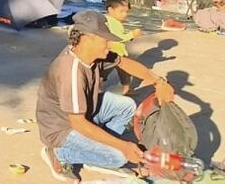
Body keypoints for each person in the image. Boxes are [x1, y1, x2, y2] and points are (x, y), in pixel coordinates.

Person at [36, 11, 175, 182]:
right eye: (105, 40)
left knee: (127, 106)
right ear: (87, 38)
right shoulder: (70, 72)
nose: (109, 45)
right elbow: (77, 123)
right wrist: (123, 146)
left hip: (85, 111)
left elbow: (125, 63)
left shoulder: (92, 54)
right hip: (62, 129)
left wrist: (158, 82)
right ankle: (59, 153)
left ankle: (98, 150)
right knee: (119, 158)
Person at [104, 0, 141, 96]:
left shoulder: (114, 21)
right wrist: (132, 34)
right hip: (112, 53)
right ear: (111, 10)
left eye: (126, 12)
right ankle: (95, 89)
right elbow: (117, 37)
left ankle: (126, 88)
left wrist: (129, 37)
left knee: (124, 72)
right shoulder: (111, 22)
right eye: (121, 11)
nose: (125, 14)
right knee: (104, 73)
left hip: (119, 51)